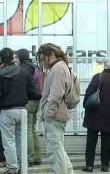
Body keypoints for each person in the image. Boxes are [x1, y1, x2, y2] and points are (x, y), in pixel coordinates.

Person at [0, 48, 36, 174]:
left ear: (1, 59)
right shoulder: (24, 72)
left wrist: (0, 103)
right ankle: (23, 166)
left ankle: (12, 168)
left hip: (6, 111)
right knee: (21, 140)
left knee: (9, 141)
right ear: (12, 57)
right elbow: (33, 92)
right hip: (22, 110)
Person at [81, 57, 110, 173]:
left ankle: (89, 166)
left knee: (91, 140)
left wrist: (86, 106)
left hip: (94, 113)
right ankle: (105, 166)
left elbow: (89, 93)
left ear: (105, 65)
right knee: (107, 141)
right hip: (109, 116)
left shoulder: (97, 77)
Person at [37, 43, 74, 174]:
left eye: (43, 58)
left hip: (54, 116)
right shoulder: (60, 67)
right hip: (57, 115)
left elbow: (56, 94)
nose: (42, 62)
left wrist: (48, 113)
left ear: (52, 54)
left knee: (55, 152)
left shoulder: (58, 68)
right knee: (59, 151)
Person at [15, 49, 42, 167]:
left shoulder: (24, 69)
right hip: (36, 100)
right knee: (32, 129)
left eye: (16, 57)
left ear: (21, 57)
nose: (15, 60)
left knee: (27, 130)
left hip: (28, 101)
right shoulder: (34, 66)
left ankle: (29, 157)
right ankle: (37, 156)